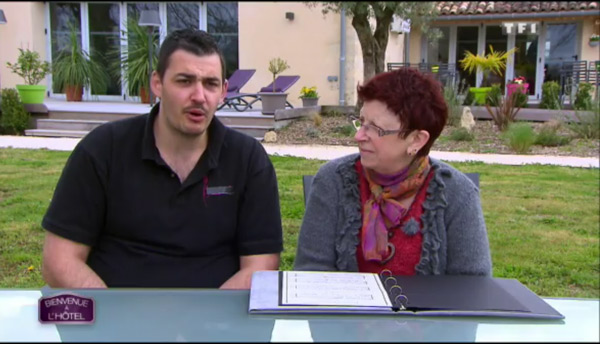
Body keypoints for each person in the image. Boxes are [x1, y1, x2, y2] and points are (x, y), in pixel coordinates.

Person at [41, 28, 283, 289]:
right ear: (157, 83)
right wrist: (117, 320)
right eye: (184, 81)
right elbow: (59, 261)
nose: (199, 96)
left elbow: (261, 265)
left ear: (224, 91)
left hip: (214, 324)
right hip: (118, 322)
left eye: (211, 84)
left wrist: (202, 324)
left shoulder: (247, 160)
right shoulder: (103, 150)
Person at [293, 68, 492, 276]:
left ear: (416, 140)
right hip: (349, 309)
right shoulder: (332, 181)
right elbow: (311, 273)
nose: (359, 136)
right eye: (361, 123)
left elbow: (472, 287)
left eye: (375, 128)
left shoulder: (458, 194)